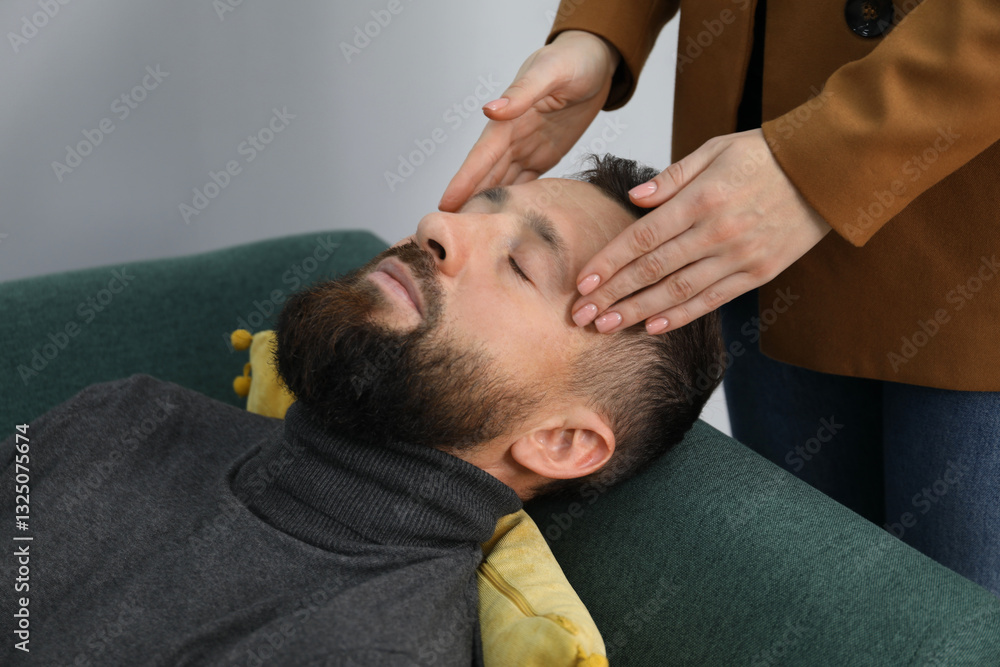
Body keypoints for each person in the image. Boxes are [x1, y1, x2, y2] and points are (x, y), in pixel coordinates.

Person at [0, 155, 723, 666]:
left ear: (561, 441)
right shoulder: (130, 416)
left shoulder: (369, 648)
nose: (436, 222)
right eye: (472, 209)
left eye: (521, 264)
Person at [440, 1, 1000, 597]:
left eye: (522, 266)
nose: (434, 228)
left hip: (966, 242)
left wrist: (819, 159)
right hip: (749, 207)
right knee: (806, 611)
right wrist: (602, 29)